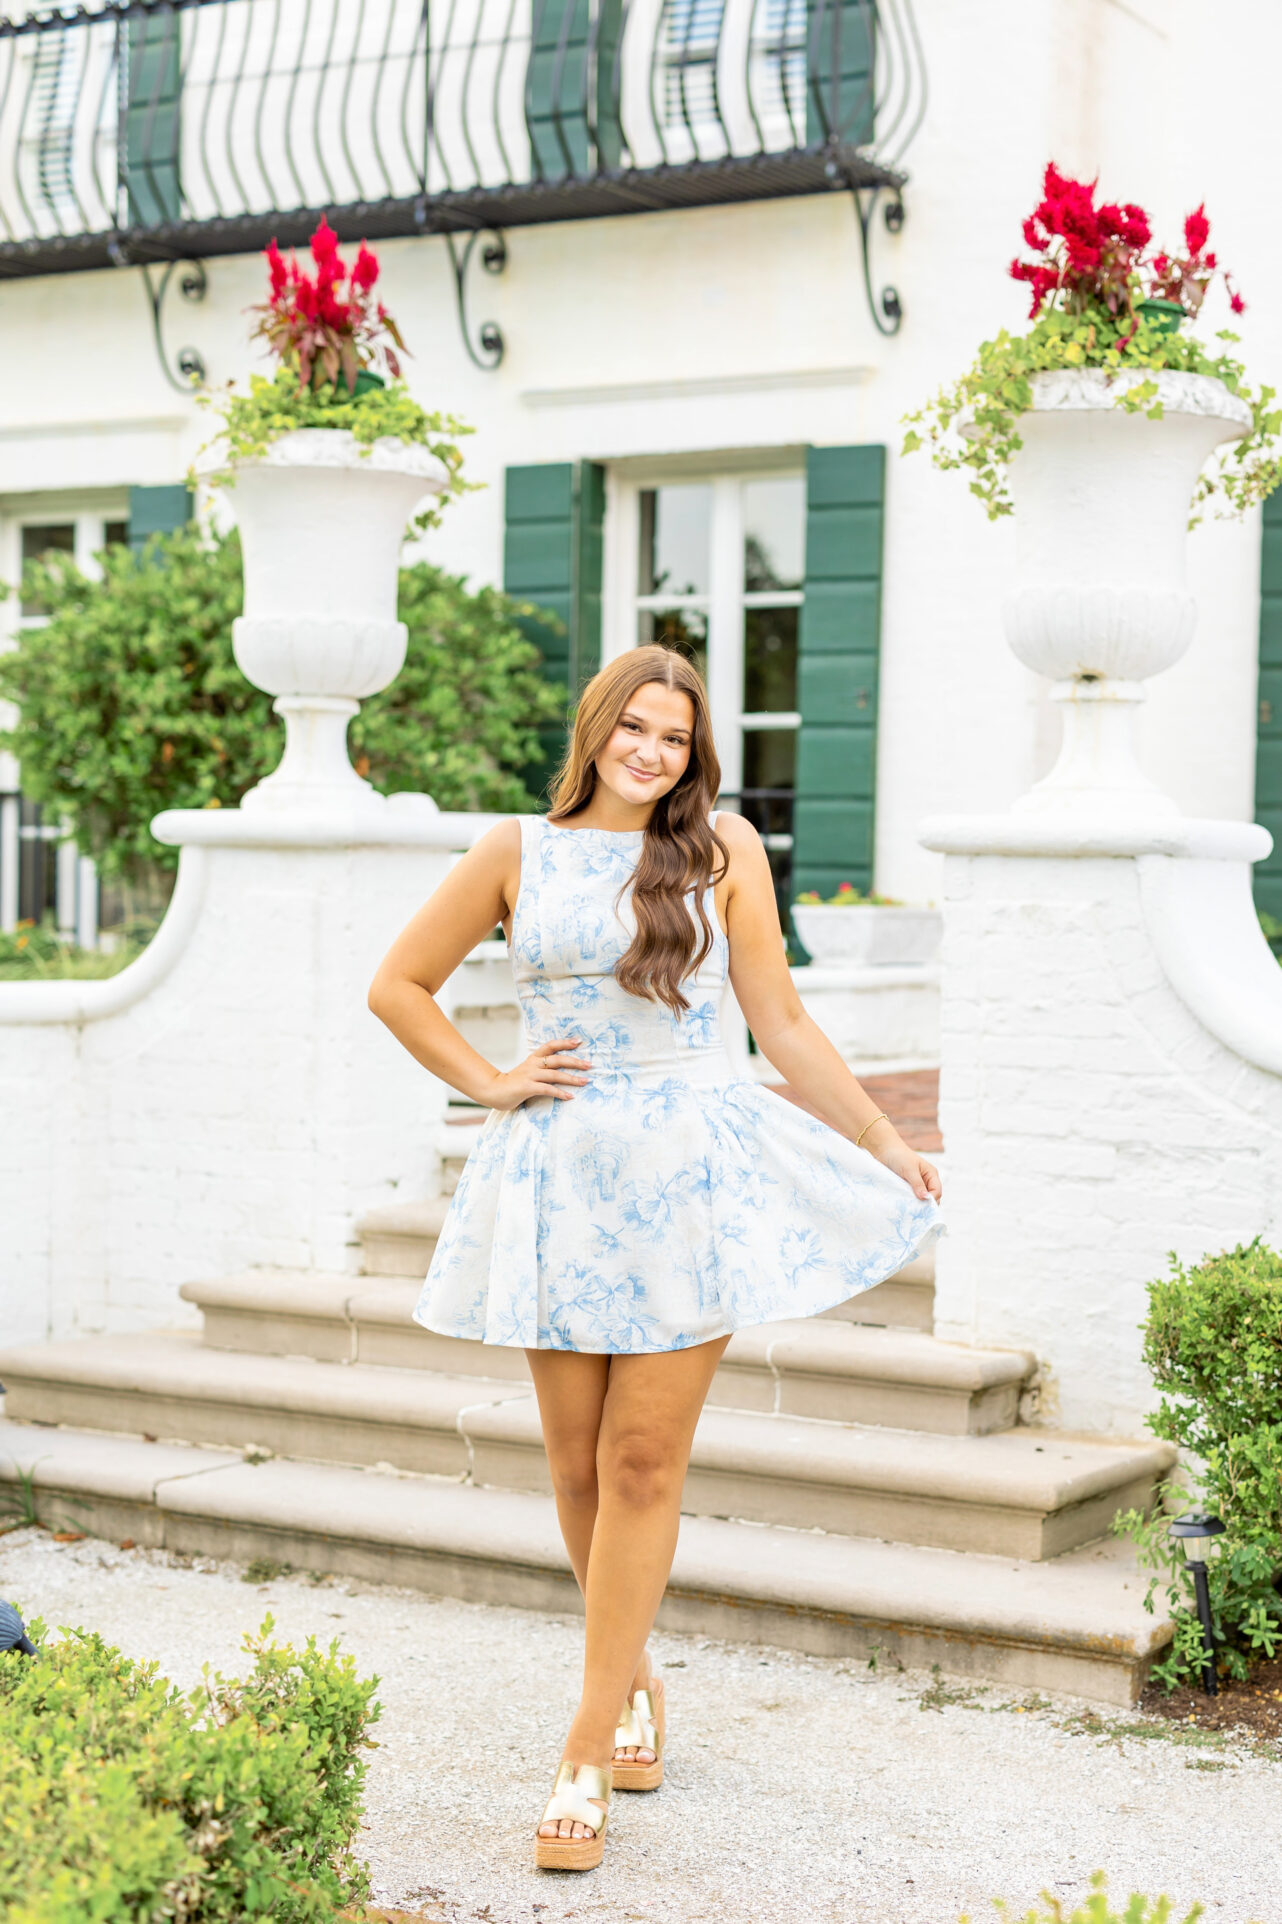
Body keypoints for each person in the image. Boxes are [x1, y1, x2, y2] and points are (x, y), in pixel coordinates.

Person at [368, 644, 942, 1871]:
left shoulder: (721, 849)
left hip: (689, 1171)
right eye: (635, 727)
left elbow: (777, 1015)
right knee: (574, 1464)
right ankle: (632, 1677)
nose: (652, 751)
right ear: (597, 729)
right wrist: (491, 1082)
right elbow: (398, 985)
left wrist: (886, 1138)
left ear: (694, 753)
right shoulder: (511, 850)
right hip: (556, 1174)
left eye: (674, 737)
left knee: (640, 1458)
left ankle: (583, 1741)